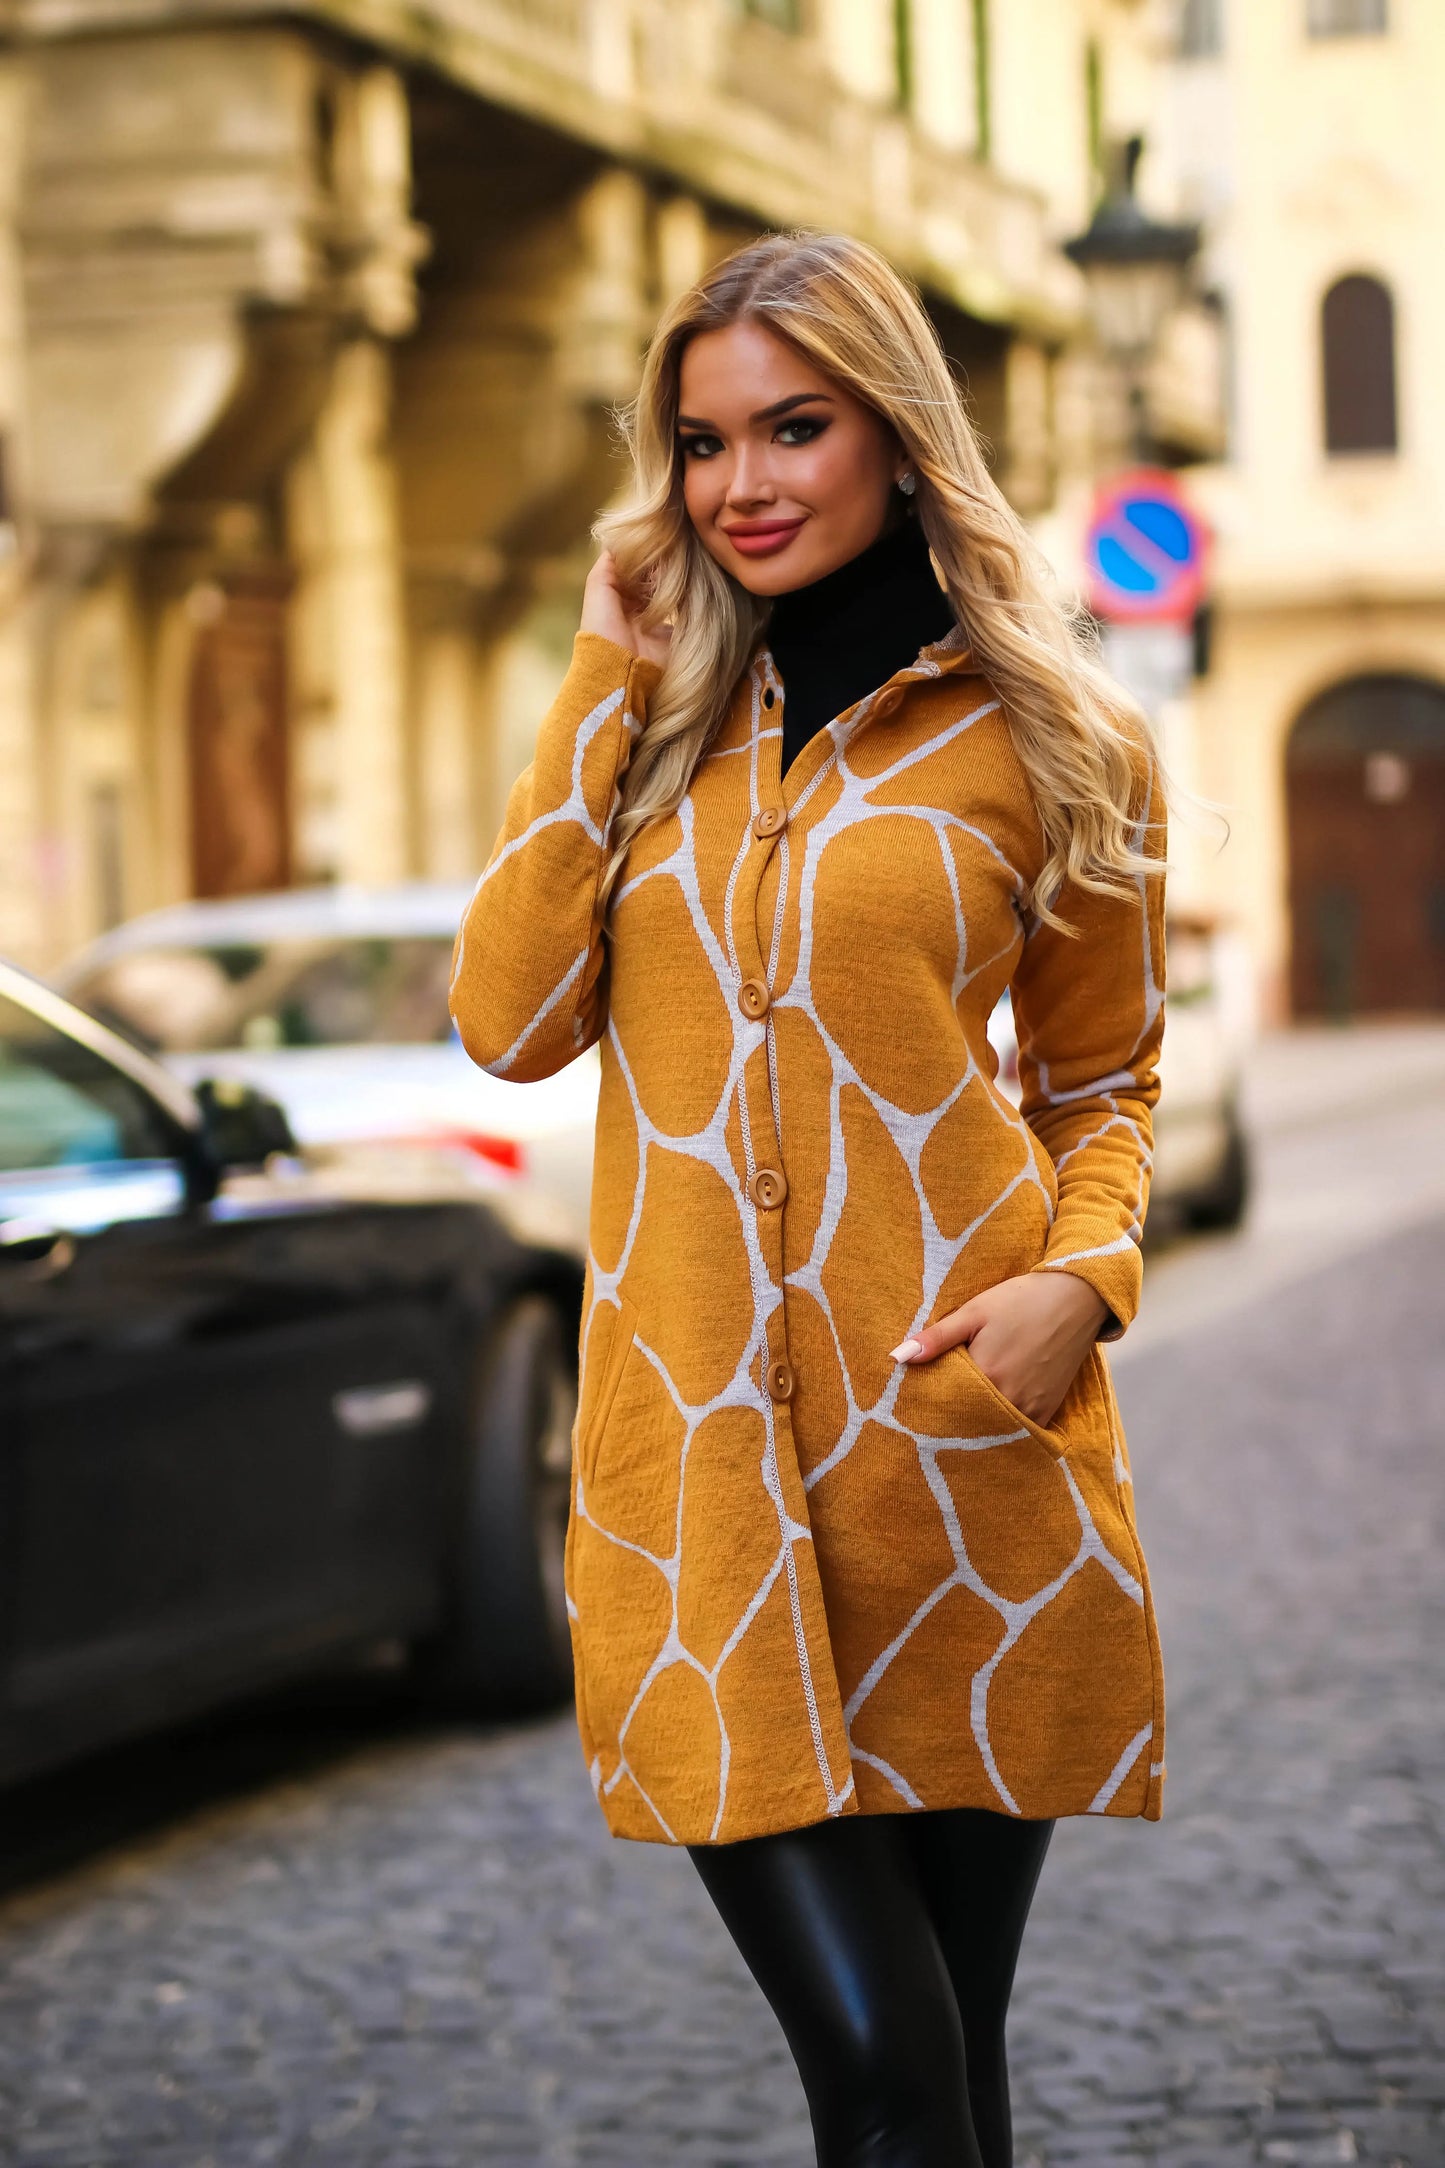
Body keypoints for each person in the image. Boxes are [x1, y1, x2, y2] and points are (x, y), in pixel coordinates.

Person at [451, 232, 1167, 2168]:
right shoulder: (648, 726)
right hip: (703, 1495)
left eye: (795, 425)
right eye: (700, 442)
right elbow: (507, 1022)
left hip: (954, 1458)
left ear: (897, 435)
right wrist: (606, 661)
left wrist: (1084, 1282)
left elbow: (1104, 1085)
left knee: (950, 2061)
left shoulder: (1058, 741)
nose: (742, 483)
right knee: (882, 2064)